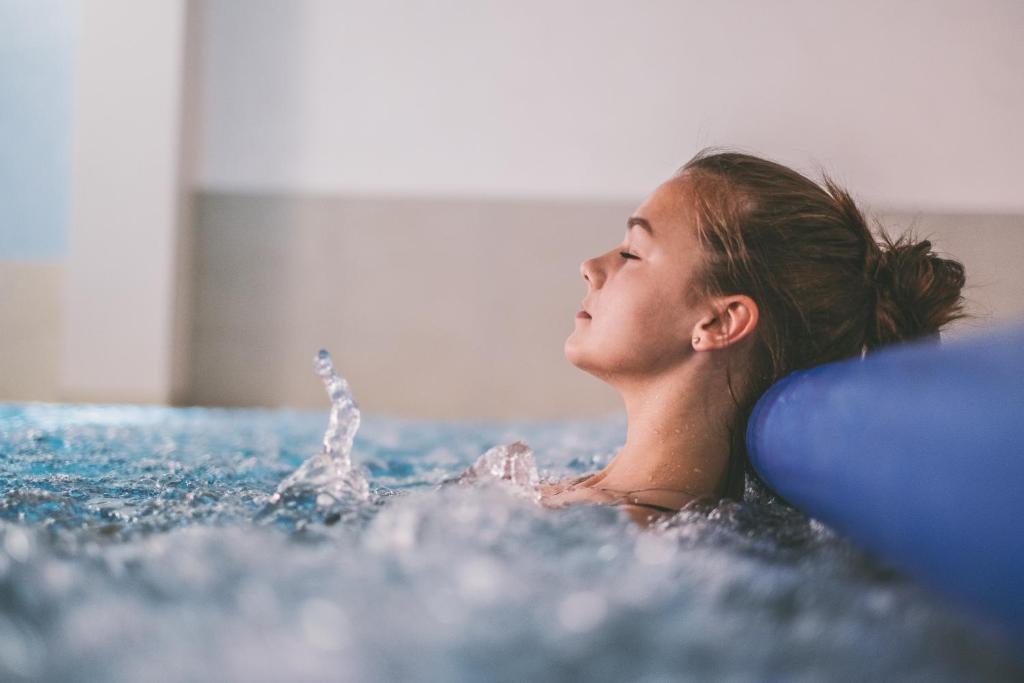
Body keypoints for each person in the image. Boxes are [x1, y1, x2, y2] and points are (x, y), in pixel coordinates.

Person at [540, 148, 969, 525]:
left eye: (632, 253)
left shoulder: (626, 536)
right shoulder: (591, 502)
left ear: (719, 323)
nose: (591, 266)